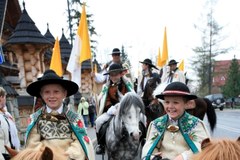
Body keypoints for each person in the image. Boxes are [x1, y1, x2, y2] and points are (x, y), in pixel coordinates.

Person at [25, 69, 94, 160]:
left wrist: (67, 156)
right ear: (41, 94)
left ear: (64, 94)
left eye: (56, 91)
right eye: (47, 92)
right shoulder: (35, 119)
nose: (52, 96)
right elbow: (32, 144)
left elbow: (79, 142)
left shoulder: (74, 118)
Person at [142, 82, 210, 160]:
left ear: (187, 104)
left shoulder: (196, 124)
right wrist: (153, 157)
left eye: (176, 102)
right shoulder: (156, 124)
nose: (170, 106)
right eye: (167, 102)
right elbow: (149, 146)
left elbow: (202, 146)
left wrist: (183, 157)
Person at [95, 63, 135, 154]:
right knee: (98, 121)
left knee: (142, 118)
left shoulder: (127, 85)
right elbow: (106, 99)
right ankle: (100, 145)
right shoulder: (106, 87)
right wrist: (110, 108)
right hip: (111, 110)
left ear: (121, 74)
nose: (113, 77)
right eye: (111, 75)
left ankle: (142, 139)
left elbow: (131, 97)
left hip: (127, 110)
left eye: (115, 74)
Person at [0, 87, 13, 160]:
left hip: (9, 151)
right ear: (1, 97)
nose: (5, 99)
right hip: (2, 154)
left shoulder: (6, 114)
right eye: (5, 97)